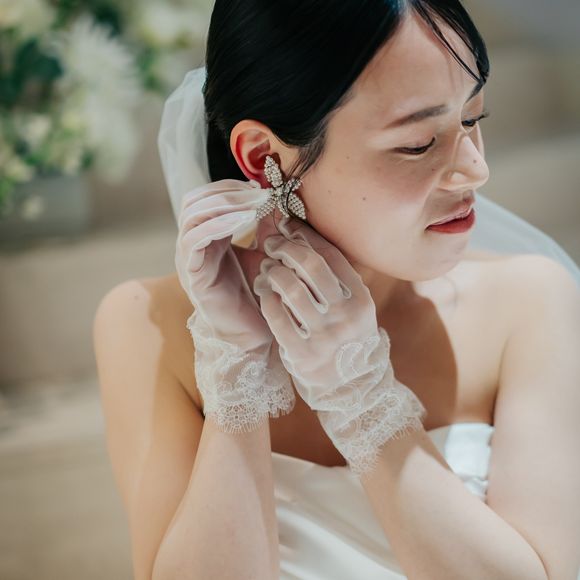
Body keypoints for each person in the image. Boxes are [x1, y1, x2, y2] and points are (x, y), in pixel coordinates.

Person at [93, 1, 580, 579]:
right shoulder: (146, 323)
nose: (476, 169)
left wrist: (361, 397)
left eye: (473, 118)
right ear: (264, 157)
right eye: (418, 142)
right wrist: (238, 374)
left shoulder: (528, 302)